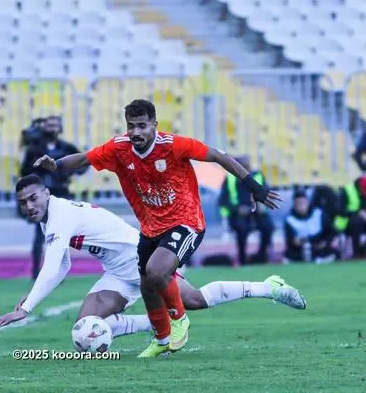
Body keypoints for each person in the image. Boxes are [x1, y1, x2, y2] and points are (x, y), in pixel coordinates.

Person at [34, 99, 281, 357]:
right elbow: (84, 158)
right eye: (131, 126)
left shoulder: (173, 145)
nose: (136, 132)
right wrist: (57, 165)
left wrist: (254, 186)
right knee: (148, 286)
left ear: (155, 124)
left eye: (142, 126)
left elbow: (218, 156)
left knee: (156, 271)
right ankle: (161, 340)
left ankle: (179, 320)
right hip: (151, 228)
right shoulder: (119, 149)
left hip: (186, 221)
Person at [0, 175, 305, 340]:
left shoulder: (60, 215)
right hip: (116, 271)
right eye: (23, 202)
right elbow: (62, 265)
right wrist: (31, 298)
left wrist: (28, 307)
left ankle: (268, 286)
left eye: (33, 198)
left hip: (140, 259)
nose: (29, 206)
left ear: (45, 193)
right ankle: (156, 324)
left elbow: (52, 262)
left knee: (194, 300)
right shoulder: (50, 216)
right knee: (87, 326)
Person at [20, 115, 88, 280]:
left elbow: (84, 161)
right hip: (42, 195)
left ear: (60, 127)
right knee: (40, 234)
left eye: (55, 125)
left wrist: (70, 171)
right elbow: (24, 172)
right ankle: (36, 273)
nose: (52, 128)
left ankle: (59, 272)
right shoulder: (35, 148)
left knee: (61, 234)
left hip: (62, 193)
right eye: (49, 125)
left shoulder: (65, 147)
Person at [218, 155, 274, 265]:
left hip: (257, 213)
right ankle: (242, 258)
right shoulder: (230, 178)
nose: (246, 169)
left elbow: (267, 193)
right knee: (241, 229)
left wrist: (263, 205)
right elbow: (222, 200)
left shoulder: (258, 175)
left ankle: (261, 255)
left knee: (268, 227)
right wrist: (237, 209)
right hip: (238, 215)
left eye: (247, 166)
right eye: (243, 166)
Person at [284, 190, 337, 263]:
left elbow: (331, 231)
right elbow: (290, 239)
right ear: (294, 204)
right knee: (289, 256)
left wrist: (325, 242)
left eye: (303, 203)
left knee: (332, 253)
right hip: (301, 248)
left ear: (308, 202)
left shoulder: (319, 214)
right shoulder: (289, 219)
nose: (302, 206)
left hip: (319, 245)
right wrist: (296, 242)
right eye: (298, 203)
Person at [333, 176, 366, 258]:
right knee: (357, 222)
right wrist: (358, 213)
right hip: (345, 223)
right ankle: (357, 253)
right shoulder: (346, 190)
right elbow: (339, 210)